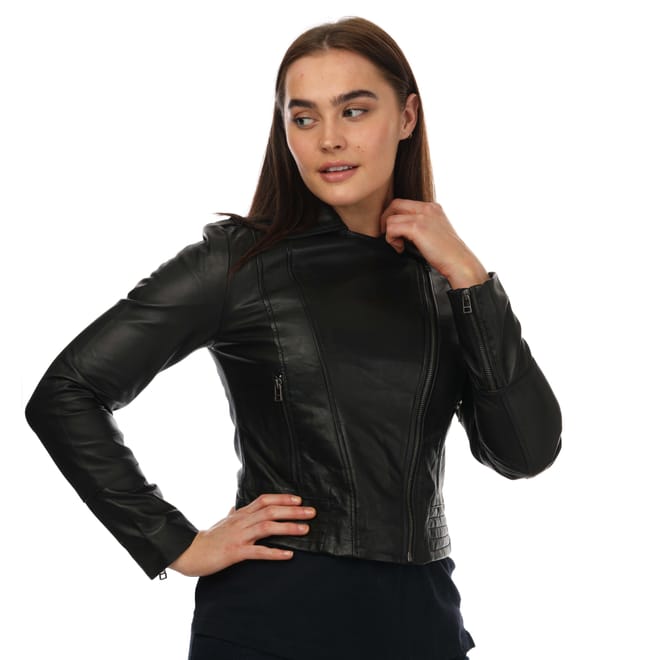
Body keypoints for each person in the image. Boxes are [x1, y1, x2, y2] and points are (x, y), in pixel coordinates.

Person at [25, 16, 562, 660]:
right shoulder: (239, 262)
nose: (329, 138)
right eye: (304, 118)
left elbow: (524, 452)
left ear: (406, 116)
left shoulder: (446, 281)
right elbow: (67, 392)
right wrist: (175, 543)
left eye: (354, 110)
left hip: (423, 620)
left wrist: (471, 279)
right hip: (275, 620)